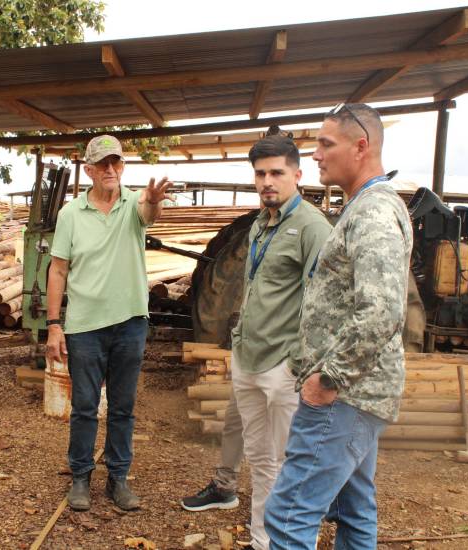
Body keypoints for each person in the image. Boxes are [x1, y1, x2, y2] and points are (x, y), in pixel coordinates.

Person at [264, 103, 413, 550]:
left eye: (326, 144)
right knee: (354, 509)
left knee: (289, 514)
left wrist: (328, 378)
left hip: (344, 395)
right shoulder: (364, 207)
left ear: (361, 147)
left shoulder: (372, 213)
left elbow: (382, 310)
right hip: (357, 393)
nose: (316, 154)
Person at [184, 135, 331, 550]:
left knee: (289, 464)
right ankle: (263, 540)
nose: (268, 181)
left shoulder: (312, 227)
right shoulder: (261, 224)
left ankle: (293, 542)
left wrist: (298, 362)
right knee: (263, 460)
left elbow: (323, 301)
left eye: (277, 173)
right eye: (261, 173)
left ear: (297, 175)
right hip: (249, 359)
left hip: (282, 365)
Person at [46, 135, 172, 511]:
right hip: (85, 325)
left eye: (116, 163)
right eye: (103, 164)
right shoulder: (71, 214)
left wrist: (153, 201)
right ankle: (81, 477)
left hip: (130, 321)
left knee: (122, 406)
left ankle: (118, 478)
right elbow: (58, 269)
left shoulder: (134, 202)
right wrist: (54, 324)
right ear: (88, 170)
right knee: (85, 405)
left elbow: (149, 214)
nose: (111, 170)